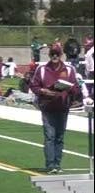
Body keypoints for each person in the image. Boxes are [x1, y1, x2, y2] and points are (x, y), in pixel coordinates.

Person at [29, 46, 92, 174]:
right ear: (49, 55)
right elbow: (34, 85)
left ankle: (57, 164)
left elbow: (76, 88)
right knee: (50, 136)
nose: (55, 56)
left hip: (63, 107)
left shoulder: (69, 69)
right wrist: (43, 91)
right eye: (52, 54)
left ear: (61, 55)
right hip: (47, 107)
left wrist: (69, 89)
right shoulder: (41, 69)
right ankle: (50, 164)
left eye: (57, 54)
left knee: (60, 137)